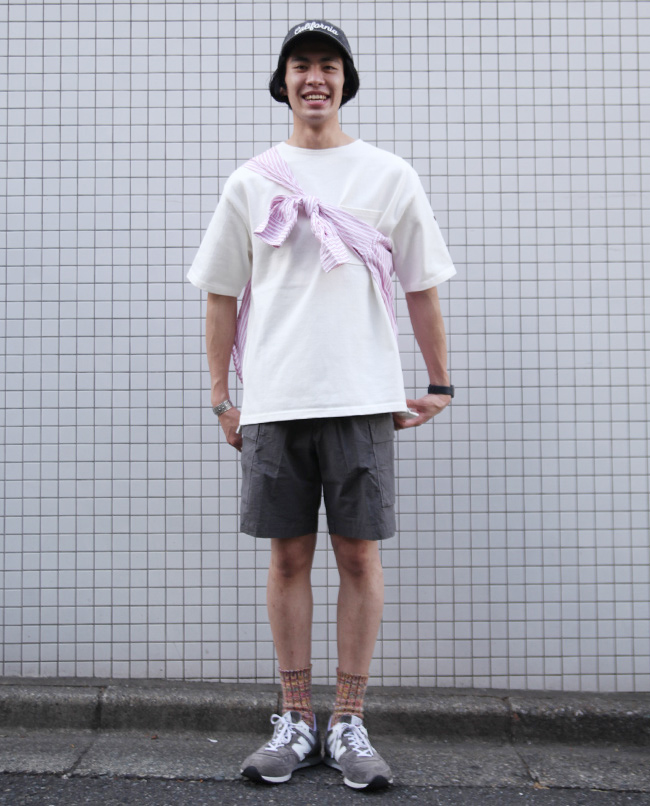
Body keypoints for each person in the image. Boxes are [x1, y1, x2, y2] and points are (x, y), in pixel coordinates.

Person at [187, 20, 456, 791]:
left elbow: (422, 286)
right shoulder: (251, 181)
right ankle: (296, 717)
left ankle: (349, 721)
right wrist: (222, 398)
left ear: (345, 81)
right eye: (301, 65)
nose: (315, 78)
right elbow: (221, 293)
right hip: (275, 399)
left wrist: (440, 383)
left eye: (329, 66)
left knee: (360, 556)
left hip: (362, 397)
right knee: (287, 556)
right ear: (283, 82)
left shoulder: (388, 175)